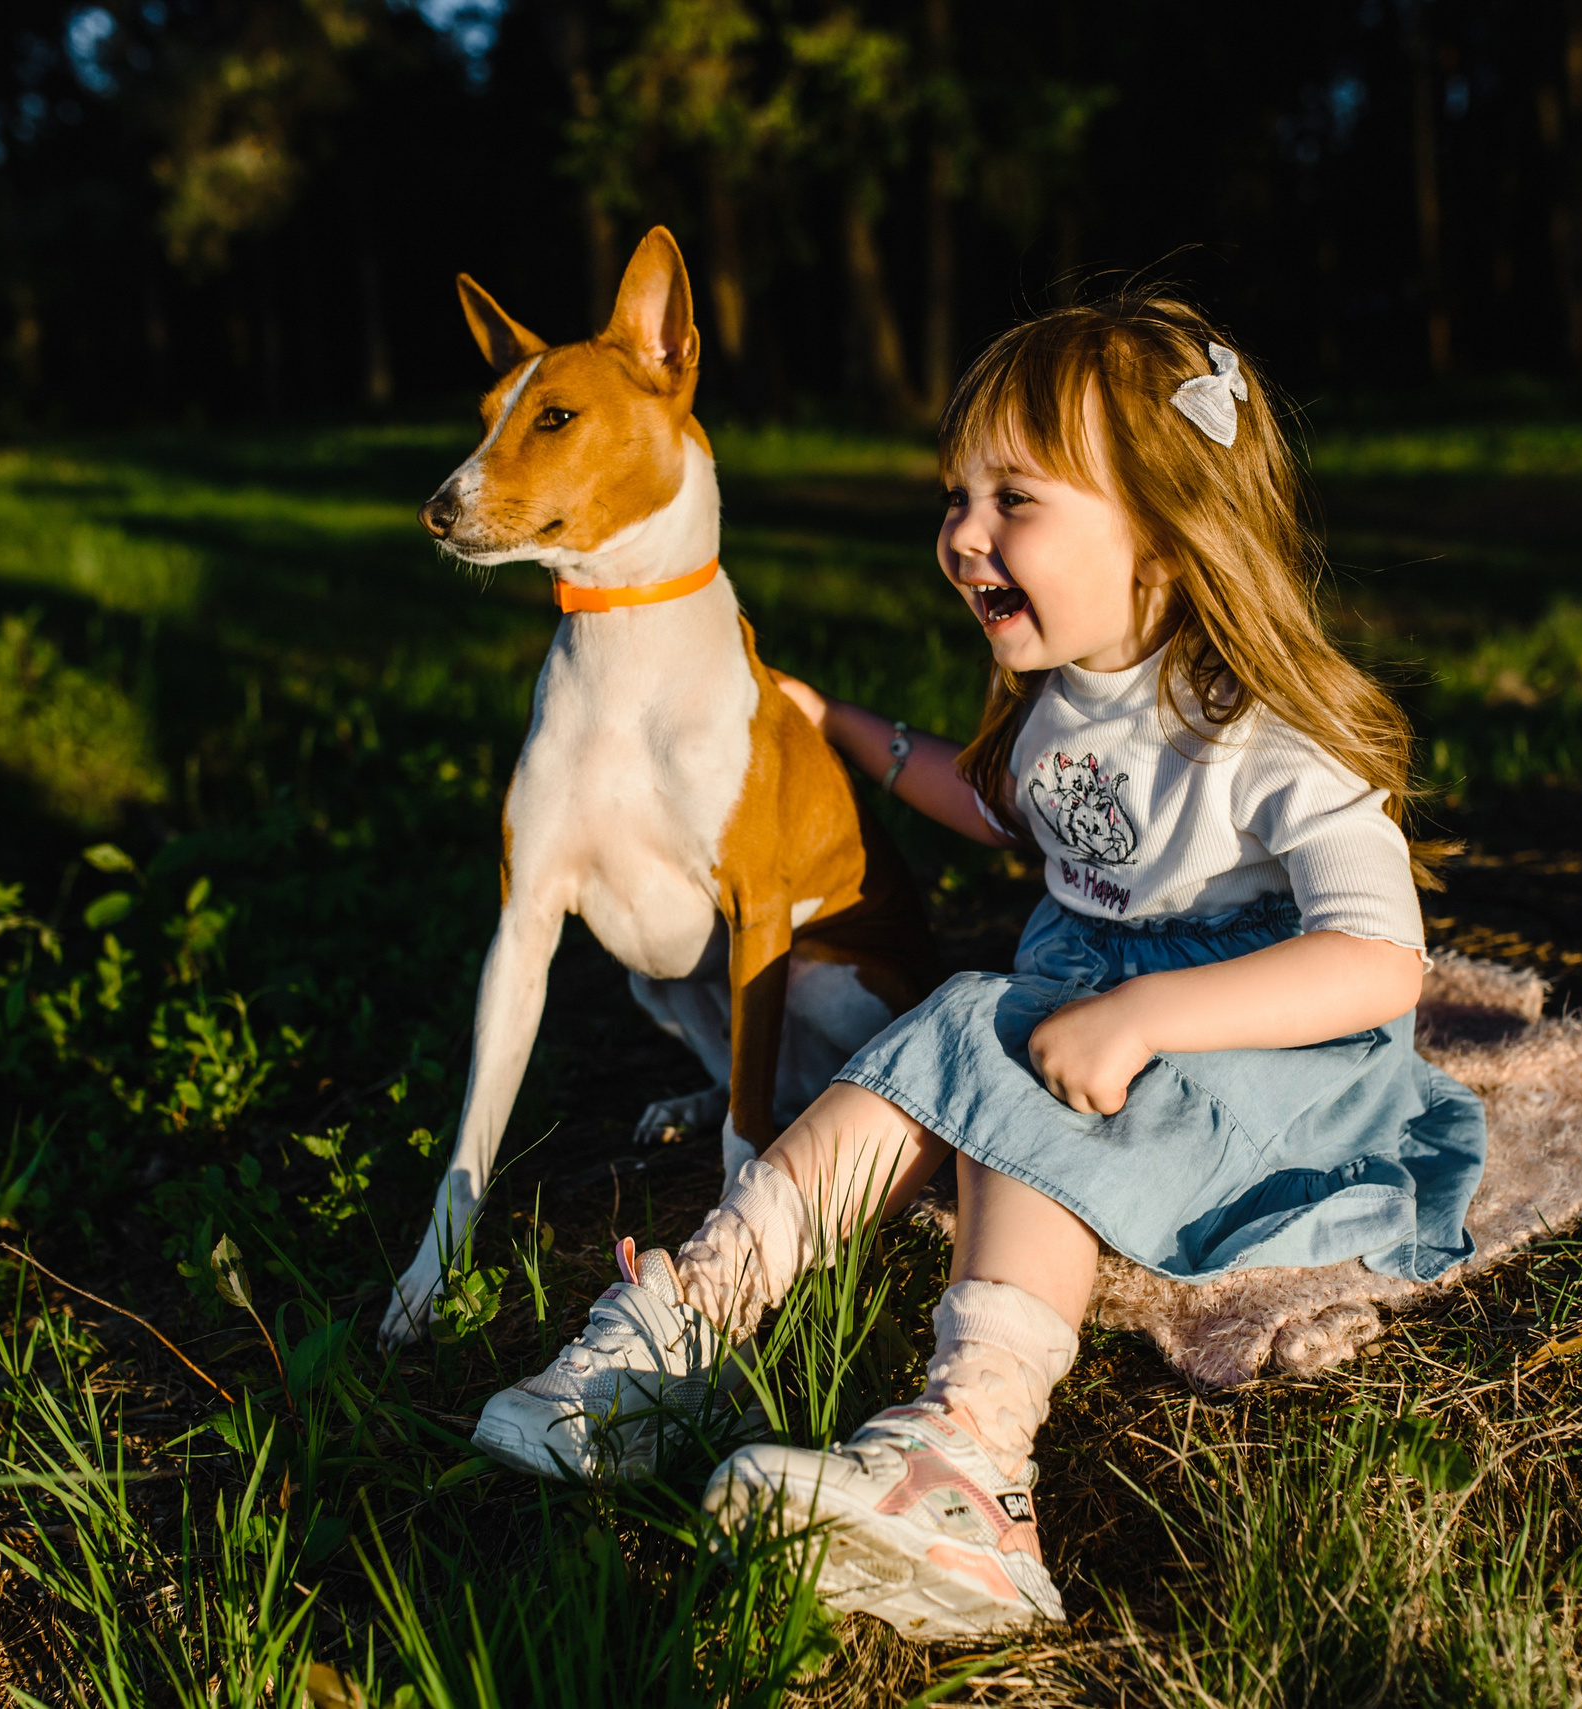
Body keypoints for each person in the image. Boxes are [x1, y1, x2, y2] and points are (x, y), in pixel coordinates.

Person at [466, 293, 1488, 1638]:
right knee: (959, 1037)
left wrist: (1146, 1010)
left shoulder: (1269, 736)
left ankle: (976, 1474)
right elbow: (1009, 805)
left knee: (996, 1054)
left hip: (1261, 1081)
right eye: (958, 495)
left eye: (1016, 500)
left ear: (1167, 530)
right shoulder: (1071, 696)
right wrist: (845, 726)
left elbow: (1379, 960)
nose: (962, 533)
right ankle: (694, 1319)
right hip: (1102, 1028)